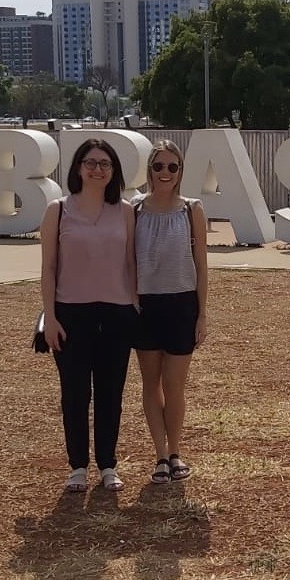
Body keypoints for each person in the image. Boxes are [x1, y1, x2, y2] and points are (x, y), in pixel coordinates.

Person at [40, 138, 138, 493]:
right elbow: (49, 268)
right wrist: (50, 317)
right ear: (78, 167)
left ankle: (108, 465)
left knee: (111, 392)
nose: (98, 169)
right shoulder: (59, 209)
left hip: (117, 313)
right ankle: (78, 466)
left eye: (105, 164)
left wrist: (135, 305)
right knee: (75, 393)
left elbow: (130, 263)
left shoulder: (125, 210)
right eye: (90, 162)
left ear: (114, 171)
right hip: (71, 314)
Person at [133, 139, 208, 484]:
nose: (165, 173)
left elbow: (202, 266)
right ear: (149, 169)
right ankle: (160, 455)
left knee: (174, 384)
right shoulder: (132, 209)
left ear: (180, 172)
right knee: (151, 383)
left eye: (172, 167)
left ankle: (176, 451)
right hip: (144, 305)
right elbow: (125, 261)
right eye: (158, 166)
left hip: (181, 304)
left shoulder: (192, 209)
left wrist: (202, 314)